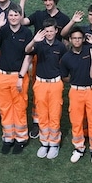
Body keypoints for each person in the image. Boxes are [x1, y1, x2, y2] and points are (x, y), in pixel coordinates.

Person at [0, 5, 33, 154]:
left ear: (21, 16)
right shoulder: (3, 30)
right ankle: (8, 137)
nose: (13, 18)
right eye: (11, 15)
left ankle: (21, 138)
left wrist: (21, 76)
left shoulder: (26, 33)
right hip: (1, 75)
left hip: (18, 76)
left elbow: (28, 56)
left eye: (16, 15)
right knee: (5, 108)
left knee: (19, 108)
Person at [59, 27, 92, 163]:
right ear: (70, 40)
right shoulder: (66, 58)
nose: (77, 40)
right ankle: (79, 147)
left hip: (91, 90)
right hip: (75, 91)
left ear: (83, 39)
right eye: (74, 38)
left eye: (79, 38)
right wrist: (74, 81)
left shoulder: (91, 51)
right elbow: (64, 76)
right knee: (76, 120)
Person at [25, 19, 66, 158]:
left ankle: (54, 144)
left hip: (55, 84)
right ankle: (44, 142)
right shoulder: (39, 45)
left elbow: (64, 63)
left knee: (54, 114)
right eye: (46, 31)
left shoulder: (60, 46)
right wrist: (34, 41)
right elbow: (27, 50)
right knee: (42, 113)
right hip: (40, 84)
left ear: (56, 31)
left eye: (51, 31)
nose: (49, 33)